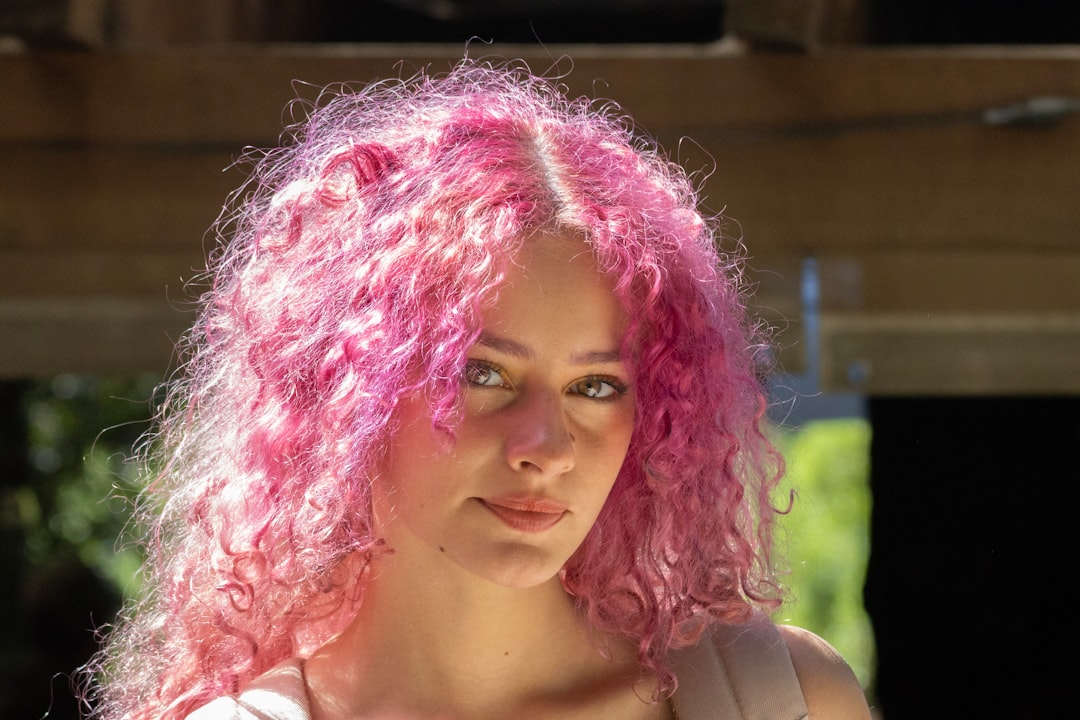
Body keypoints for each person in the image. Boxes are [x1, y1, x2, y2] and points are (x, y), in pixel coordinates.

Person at [86, 59, 870, 720]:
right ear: (350, 388)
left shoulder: (782, 701)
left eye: (596, 385)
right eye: (482, 372)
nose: (547, 448)